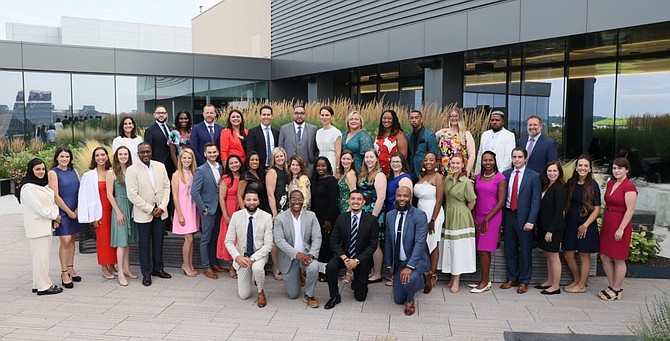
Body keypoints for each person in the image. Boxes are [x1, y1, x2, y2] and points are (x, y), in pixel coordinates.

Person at [125, 143, 172, 287]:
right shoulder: (131, 170)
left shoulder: (160, 166)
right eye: (142, 152)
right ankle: (146, 273)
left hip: (160, 212)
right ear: (138, 154)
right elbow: (132, 195)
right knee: (144, 245)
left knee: (159, 242)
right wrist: (150, 209)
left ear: (151, 152)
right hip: (144, 213)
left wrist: (162, 207)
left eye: (148, 152)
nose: (145, 154)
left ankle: (158, 268)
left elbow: (166, 186)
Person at [324, 190, 380, 309]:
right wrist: (344, 257)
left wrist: (357, 261)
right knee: (330, 267)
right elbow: (334, 241)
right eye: (353, 199)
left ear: (364, 202)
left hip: (361, 258)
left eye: (359, 199)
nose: (355, 201)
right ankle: (334, 296)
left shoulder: (371, 220)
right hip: (344, 255)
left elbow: (372, 246)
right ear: (349, 201)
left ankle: (357, 282)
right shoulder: (341, 218)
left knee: (360, 297)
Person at [500, 148, 542, 294]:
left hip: (524, 218)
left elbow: (536, 200)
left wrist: (531, 220)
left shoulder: (534, 176)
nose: (516, 159)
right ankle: (512, 278)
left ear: (526, 159)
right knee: (510, 249)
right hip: (509, 215)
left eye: (519, 157)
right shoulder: (505, 174)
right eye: (514, 157)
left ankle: (524, 281)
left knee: (525, 251)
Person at [18, 158, 63, 296]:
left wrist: (55, 216)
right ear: (31, 170)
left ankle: (37, 284)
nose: (41, 172)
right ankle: (44, 286)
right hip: (37, 227)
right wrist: (54, 216)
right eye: (37, 169)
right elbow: (39, 208)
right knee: (41, 258)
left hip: (45, 226)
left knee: (41, 257)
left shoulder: (43, 185)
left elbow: (51, 202)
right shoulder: (27, 188)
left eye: (43, 169)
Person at [385, 186, 430, 316]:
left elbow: (420, 243)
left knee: (408, 280)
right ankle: (423, 279)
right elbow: (388, 241)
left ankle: (411, 299)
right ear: (395, 197)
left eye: (405, 196)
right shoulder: (390, 215)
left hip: (416, 260)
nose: (402, 199)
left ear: (410, 198)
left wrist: (410, 267)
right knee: (398, 299)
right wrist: (389, 264)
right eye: (399, 196)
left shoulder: (419, 215)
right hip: (399, 261)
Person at [225, 190, 274, 308]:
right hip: (243, 256)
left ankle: (260, 291)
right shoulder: (236, 216)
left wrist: (252, 259)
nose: (251, 202)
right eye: (248, 199)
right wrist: (237, 257)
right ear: (244, 201)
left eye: (254, 200)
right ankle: (252, 277)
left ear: (258, 201)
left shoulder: (267, 217)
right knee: (244, 295)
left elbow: (268, 245)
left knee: (257, 269)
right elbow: (228, 241)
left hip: (258, 255)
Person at [274, 190, 322, 308]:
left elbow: (317, 237)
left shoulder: (311, 216)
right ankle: (298, 276)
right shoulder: (280, 218)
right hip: (289, 258)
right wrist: (297, 254)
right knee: (293, 294)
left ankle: (309, 294)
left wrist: (311, 255)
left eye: (300, 199)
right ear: (289, 201)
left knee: (314, 267)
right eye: (294, 199)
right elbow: (279, 241)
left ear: (303, 201)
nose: (297, 202)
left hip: (306, 255)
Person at [599, 157, 638, 301]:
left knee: (619, 257)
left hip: (621, 223)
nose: (616, 171)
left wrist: (621, 229)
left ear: (626, 170)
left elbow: (630, 209)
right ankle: (612, 285)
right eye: (614, 168)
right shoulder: (611, 184)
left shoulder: (629, 186)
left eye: (619, 168)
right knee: (604, 256)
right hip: (608, 222)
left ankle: (617, 289)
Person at [562, 155, 601, 294]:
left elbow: (597, 208)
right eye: (580, 165)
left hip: (586, 224)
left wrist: (585, 225)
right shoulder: (571, 182)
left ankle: (582, 285)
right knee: (568, 253)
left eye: (585, 166)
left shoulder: (593, 185)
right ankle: (577, 280)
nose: (582, 168)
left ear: (590, 169)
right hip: (571, 222)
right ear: (576, 167)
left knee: (584, 254)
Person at [78, 147, 118, 279]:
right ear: (94, 158)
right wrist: (91, 217)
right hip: (99, 212)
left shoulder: (112, 172)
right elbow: (84, 197)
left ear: (107, 156)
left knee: (113, 238)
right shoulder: (88, 176)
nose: (100, 158)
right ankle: (104, 266)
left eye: (103, 155)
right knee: (103, 240)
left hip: (113, 209)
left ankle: (112, 263)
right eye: (97, 155)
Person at [470, 151, 506, 293]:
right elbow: (474, 199)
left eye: (490, 160)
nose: (488, 163)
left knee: (485, 250)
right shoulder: (478, 177)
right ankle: (484, 279)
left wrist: (487, 219)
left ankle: (484, 282)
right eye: (485, 160)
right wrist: (473, 217)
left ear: (494, 161)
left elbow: (501, 202)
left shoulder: (500, 178)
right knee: (480, 249)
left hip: (492, 217)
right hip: (478, 216)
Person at [441, 153, 477, 293]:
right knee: (450, 246)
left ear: (463, 164)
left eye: (458, 163)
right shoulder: (448, 179)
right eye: (453, 163)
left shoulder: (466, 182)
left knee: (458, 248)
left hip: (460, 215)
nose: (455, 166)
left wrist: (463, 214)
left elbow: (472, 202)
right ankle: (451, 276)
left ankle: (457, 279)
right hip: (448, 214)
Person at [48, 147, 81, 289]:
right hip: (63, 211)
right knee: (65, 240)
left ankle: (71, 267)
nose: (64, 159)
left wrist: (78, 209)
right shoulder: (53, 173)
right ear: (57, 158)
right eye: (62, 156)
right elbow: (55, 195)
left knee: (72, 239)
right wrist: (69, 212)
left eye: (67, 157)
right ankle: (63, 272)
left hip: (76, 209)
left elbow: (81, 191)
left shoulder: (74, 171)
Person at [191, 143, 225, 280]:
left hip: (219, 208)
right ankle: (206, 266)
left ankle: (214, 263)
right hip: (208, 209)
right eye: (209, 152)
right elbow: (194, 192)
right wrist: (203, 208)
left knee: (215, 237)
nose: (212, 154)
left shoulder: (221, 168)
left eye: (214, 152)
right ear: (205, 154)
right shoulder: (201, 170)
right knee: (206, 238)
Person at [107, 146, 140, 286]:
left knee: (128, 241)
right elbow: (109, 194)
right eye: (120, 154)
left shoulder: (132, 170)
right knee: (121, 242)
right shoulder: (112, 172)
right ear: (116, 156)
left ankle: (127, 268)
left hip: (132, 206)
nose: (123, 156)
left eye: (125, 154)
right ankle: (120, 272)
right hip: (119, 206)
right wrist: (118, 212)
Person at [534, 161, 567, 295]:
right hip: (544, 226)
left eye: (554, 171)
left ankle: (555, 285)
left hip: (553, 228)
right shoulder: (547, 186)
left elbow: (559, 211)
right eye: (549, 171)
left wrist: (550, 231)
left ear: (559, 172)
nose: (552, 173)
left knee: (553, 256)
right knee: (548, 255)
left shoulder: (560, 188)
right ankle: (549, 280)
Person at [413, 152, 444, 291]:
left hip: (434, 211)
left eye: (431, 159)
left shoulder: (438, 178)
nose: (428, 162)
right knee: (422, 242)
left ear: (436, 162)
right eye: (426, 159)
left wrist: (433, 219)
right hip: (421, 210)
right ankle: (423, 271)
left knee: (432, 242)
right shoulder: (422, 176)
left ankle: (432, 275)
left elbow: (439, 199)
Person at [357, 149, 387, 284]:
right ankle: (371, 269)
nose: (369, 159)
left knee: (375, 244)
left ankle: (377, 273)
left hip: (375, 213)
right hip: (363, 212)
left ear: (376, 159)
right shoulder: (364, 174)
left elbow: (381, 198)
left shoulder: (379, 175)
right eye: (366, 157)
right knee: (367, 243)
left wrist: (373, 218)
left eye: (371, 157)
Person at [170, 149, 199, 277]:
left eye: (189, 158)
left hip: (193, 209)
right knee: (189, 238)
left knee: (191, 239)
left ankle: (190, 263)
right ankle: (185, 264)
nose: (187, 160)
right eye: (184, 158)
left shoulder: (194, 173)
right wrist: (180, 214)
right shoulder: (177, 175)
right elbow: (175, 196)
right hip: (183, 209)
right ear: (180, 159)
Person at [310, 157, 339, 282]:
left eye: (323, 166)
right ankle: (319, 270)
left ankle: (327, 271)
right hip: (316, 217)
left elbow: (333, 201)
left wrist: (329, 219)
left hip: (327, 218)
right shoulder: (315, 180)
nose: (320, 168)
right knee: (318, 244)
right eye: (318, 166)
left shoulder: (331, 181)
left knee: (327, 244)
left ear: (328, 167)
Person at [217, 154, 243, 278]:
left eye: (236, 162)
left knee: (240, 238)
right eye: (231, 163)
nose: (234, 165)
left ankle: (240, 265)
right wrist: (226, 215)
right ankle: (231, 266)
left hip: (241, 208)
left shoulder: (244, 177)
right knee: (231, 238)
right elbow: (221, 198)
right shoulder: (226, 179)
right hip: (229, 209)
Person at [266, 146, 289, 281]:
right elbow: (270, 194)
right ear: (273, 158)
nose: (280, 158)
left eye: (282, 156)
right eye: (277, 156)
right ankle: (276, 267)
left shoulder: (285, 170)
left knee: (283, 238)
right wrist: (275, 213)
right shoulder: (272, 172)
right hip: (277, 209)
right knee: (275, 240)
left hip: (286, 208)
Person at [278, 104, 319, 175]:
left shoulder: (313, 129)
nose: (299, 116)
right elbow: (280, 149)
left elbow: (316, 150)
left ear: (305, 114)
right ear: (293, 114)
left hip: (308, 169)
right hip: (289, 170)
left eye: (302, 113)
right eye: (296, 113)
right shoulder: (284, 129)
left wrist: (312, 166)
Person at [435, 107, 476, 176]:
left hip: (461, 171)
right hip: (445, 171)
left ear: (460, 117)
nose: (454, 118)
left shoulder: (466, 134)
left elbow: (472, 156)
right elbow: (430, 144)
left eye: (456, 116)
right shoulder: (441, 133)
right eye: (451, 116)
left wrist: (466, 173)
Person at [406, 109, 438, 182]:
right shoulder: (408, 136)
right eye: (412, 118)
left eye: (416, 118)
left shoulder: (429, 135)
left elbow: (434, 154)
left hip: (425, 170)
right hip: (411, 171)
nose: (414, 120)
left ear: (421, 119)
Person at [143, 105, 176, 175]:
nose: (161, 115)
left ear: (167, 115)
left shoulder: (171, 129)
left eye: (163, 113)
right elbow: (148, 149)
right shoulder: (150, 131)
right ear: (154, 115)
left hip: (172, 165)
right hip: (158, 165)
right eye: (158, 113)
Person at [376, 110, 408, 175]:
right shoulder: (379, 134)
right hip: (379, 170)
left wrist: (395, 169)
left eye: (389, 118)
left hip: (393, 171)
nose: (386, 120)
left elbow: (403, 156)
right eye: (384, 118)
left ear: (394, 120)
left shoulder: (399, 134)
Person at [316, 105, 342, 177]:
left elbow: (338, 152)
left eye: (327, 115)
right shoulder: (318, 132)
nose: (324, 117)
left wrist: (337, 168)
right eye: (322, 115)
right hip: (320, 160)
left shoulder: (336, 132)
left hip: (331, 159)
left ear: (331, 116)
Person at [337, 150, 357, 214]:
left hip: (347, 207)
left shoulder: (350, 174)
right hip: (341, 205)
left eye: (348, 159)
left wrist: (349, 210)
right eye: (343, 159)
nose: (345, 161)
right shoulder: (343, 173)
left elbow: (354, 193)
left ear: (352, 160)